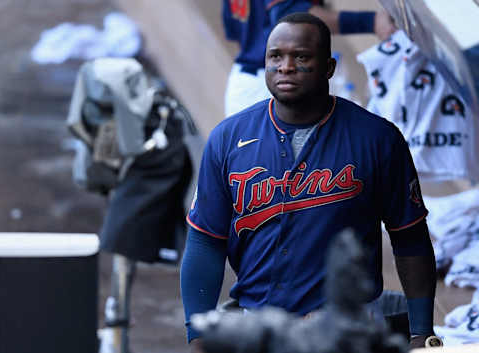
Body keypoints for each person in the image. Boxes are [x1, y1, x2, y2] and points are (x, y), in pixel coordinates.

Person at [181, 12, 441, 351]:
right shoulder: (228, 139)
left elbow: (409, 237)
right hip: (258, 325)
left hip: (351, 328)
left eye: (301, 57)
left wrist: (421, 332)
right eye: (276, 56)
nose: (286, 66)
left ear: (329, 68)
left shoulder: (378, 139)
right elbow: (206, 242)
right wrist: (197, 335)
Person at [68, 58, 193, 353]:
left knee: (126, 236)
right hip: (141, 154)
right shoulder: (99, 104)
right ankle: (117, 319)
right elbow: (92, 142)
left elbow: (127, 147)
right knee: (124, 235)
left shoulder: (158, 123)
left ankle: (118, 320)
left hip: (157, 159)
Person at [223, 0, 396, 116]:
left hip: (244, 85)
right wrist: (371, 22)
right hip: (278, 85)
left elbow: (237, 35)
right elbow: (292, 16)